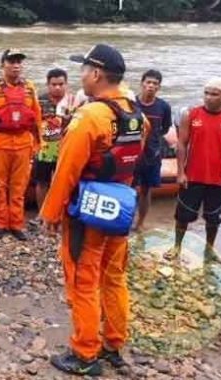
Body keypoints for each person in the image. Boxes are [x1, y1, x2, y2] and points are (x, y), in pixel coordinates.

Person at [40, 44, 150, 376]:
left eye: (85, 69)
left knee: (83, 280)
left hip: (86, 213)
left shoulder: (91, 116)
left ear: (97, 74)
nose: (82, 75)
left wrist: (51, 212)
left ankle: (85, 352)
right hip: (119, 208)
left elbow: (66, 169)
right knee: (114, 276)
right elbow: (132, 162)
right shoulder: (136, 115)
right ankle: (114, 343)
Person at [171, 78, 221, 263]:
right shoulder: (191, 115)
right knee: (183, 215)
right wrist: (180, 172)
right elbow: (182, 144)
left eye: (214, 94)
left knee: (213, 219)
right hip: (192, 176)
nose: (208, 97)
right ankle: (177, 245)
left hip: (217, 179)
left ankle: (209, 249)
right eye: (206, 93)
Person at [0, 49, 42, 241]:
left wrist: (38, 145)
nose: (16, 65)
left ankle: (16, 223)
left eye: (19, 62)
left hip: (23, 143)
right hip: (0, 142)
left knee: (19, 187)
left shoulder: (30, 88)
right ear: (3, 64)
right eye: (11, 61)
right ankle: (0, 223)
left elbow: (36, 118)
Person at [33, 68, 75, 225]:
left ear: (66, 84)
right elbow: (32, 123)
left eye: (61, 84)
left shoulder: (73, 101)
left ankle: (61, 215)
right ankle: (41, 215)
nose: (57, 87)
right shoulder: (39, 101)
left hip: (66, 149)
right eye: (54, 84)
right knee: (41, 182)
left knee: (64, 182)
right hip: (44, 149)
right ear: (48, 84)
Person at [133, 70, 172, 232]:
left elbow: (164, 128)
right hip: (132, 154)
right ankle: (123, 220)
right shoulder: (131, 103)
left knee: (146, 190)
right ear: (142, 83)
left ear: (159, 87)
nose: (151, 86)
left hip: (152, 155)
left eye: (155, 84)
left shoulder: (163, 107)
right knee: (126, 188)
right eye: (148, 82)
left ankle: (140, 223)